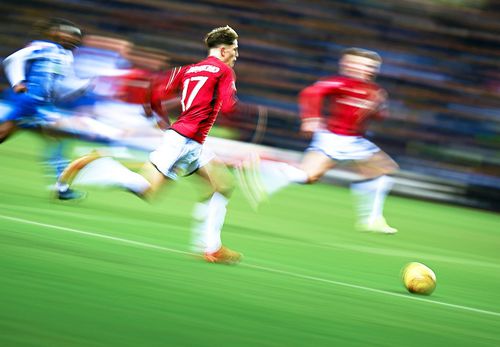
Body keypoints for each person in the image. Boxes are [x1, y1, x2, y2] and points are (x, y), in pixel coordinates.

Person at [59, 25, 242, 264]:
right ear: (222, 49)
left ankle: (211, 247)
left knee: (221, 185)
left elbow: (155, 90)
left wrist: (160, 119)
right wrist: (231, 97)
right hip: (184, 140)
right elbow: (228, 106)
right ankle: (96, 165)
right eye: (234, 50)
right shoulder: (224, 72)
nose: (236, 55)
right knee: (148, 190)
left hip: (188, 139)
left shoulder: (188, 70)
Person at [238, 47, 399, 234]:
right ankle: (264, 166)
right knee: (380, 168)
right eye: (358, 64)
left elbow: (377, 115)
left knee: (313, 176)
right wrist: (311, 118)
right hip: (335, 138)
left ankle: (269, 168)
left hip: (352, 140)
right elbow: (311, 93)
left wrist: (379, 108)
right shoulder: (341, 83)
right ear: (346, 65)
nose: (364, 69)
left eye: (370, 66)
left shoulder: (374, 90)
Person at [1, 17, 90, 200]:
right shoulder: (44, 47)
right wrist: (18, 82)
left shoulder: (66, 56)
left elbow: (62, 85)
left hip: (43, 106)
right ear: (56, 34)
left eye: (76, 36)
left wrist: (80, 87)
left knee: (60, 138)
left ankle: (61, 188)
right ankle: (61, 188)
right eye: (70, 34)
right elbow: (13, 59)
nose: (73, 39)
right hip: (27, 102)